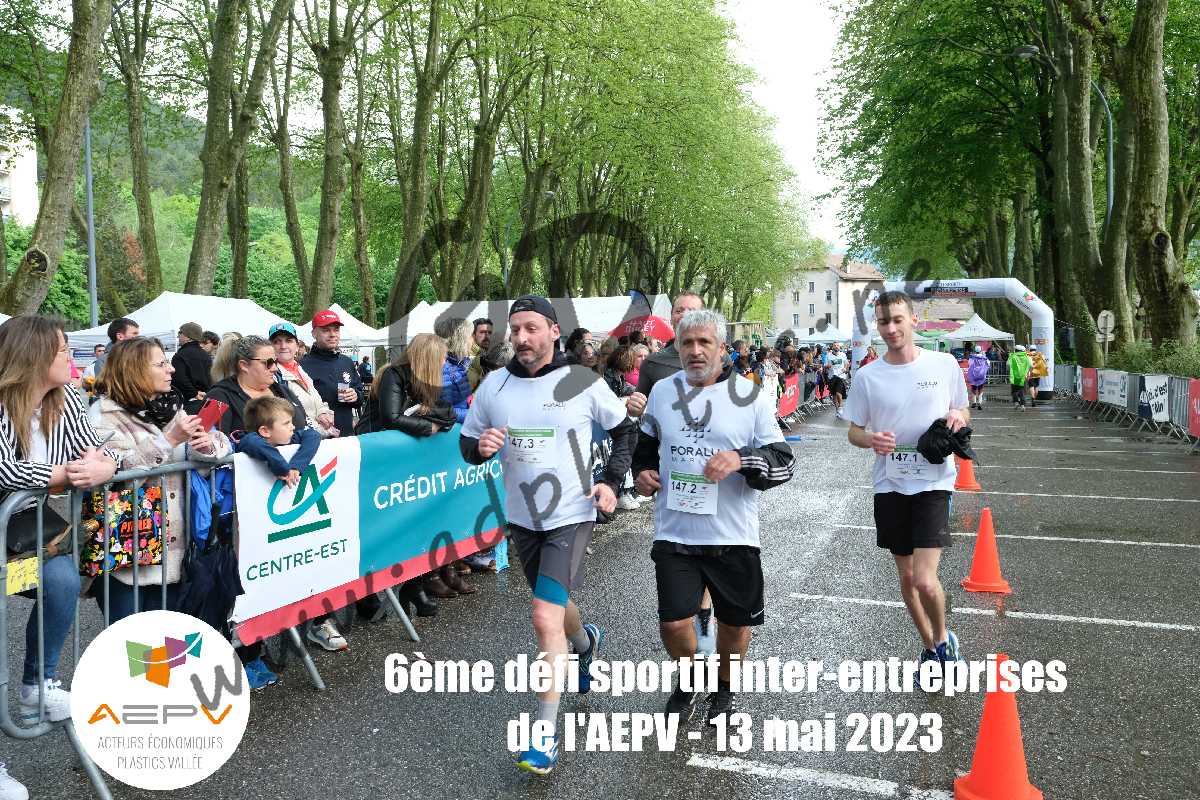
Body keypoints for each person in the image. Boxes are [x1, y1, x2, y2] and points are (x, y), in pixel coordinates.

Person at [460, 295, 637, 775]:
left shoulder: (581, 381)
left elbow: (624, 432)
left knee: (542, 616)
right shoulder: (495, 386)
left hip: (571, 513)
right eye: (515, 329)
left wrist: (610, 482)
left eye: (531, 328)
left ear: (554, 332)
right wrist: (480, 447)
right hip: (523, 518)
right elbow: (467, 444)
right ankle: (585, 643)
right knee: (553, 607)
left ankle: (544, 736)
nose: (521, 337)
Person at [633, 308, 794, 723]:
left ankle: (724, 688)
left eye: (704, 342)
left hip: (733, 536)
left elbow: (784, 462)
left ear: (722, 348)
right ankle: (689, 679)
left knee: (735, 626)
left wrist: (741, 460)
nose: (695, 350)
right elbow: (645, 447)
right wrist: (642, 473)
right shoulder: (663, 392)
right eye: (687, 343)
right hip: (675, 532)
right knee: (673, 624)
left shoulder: (749, 396)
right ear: (678, 347)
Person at [0, 316, 120, 728]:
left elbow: (98, 450)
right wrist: (66, 474)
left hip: (22, 529)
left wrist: (105, 467)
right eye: (64, 350)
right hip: (13, 522)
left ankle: (38, 684)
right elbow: (4, 469)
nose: (72, 358)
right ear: (33, 356)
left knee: (61, 581)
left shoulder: (66, 398)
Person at [843, 290, 969, 674]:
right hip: (890, 485)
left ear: (913, 320)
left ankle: (944, 642)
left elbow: (962, 409)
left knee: (926, 580)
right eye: (884, 322)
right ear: (877, 325)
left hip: (934, 481)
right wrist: (871, 439)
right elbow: (853, 431)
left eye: (898, 320)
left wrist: (957, 418)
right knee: (908, 578)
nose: (891, 328)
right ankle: (929, 647)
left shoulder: (943, 364)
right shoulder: (867, 376)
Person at [88, 337, 229, 621]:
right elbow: (114, 476)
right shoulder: (102, 415)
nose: (171, 369)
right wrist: (170, 440)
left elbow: (215, 450)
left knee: (168, 641)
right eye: (161, 363)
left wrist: (206, 446)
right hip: (128, 552)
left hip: (175, 551)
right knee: (130, 641)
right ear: (135, 370)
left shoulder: (169, 407)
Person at [359, 333, 459, 606]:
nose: (444, 364)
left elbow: (447, 412)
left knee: (417, 520)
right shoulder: (393, 374)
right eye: (440, 359)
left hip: (404, 459)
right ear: (428, 358)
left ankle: (415, 585)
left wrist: (435, 421)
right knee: (380, 524)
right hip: (378, 457)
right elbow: (391, 418)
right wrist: (429, 426)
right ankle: (367, 591)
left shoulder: (425, 380)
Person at [300, 309, 363, 436]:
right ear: (314, 333)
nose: (332, 334)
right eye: (326, 330)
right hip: (319, 438)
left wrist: (356, 396)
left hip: (347, 435)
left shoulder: (346, 362)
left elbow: (360, 395)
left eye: (336, 330)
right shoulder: (302, 366)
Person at [237, 396, 321, 489]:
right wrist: (282, 468)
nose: (293, 427)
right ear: (265, 431)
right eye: (286, 423)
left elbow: (313, 435)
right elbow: (251, 441)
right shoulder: (248, 441)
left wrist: (296, 466)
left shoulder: (291, 438)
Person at [269, 322, 336, 437]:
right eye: (277, 342)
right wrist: (322, 431)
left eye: (288, 341)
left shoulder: (300, 368)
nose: (283, 346)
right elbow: (290, 416)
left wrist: (323, 413)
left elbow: (316, 399)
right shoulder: (273, 376)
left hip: (317, 436)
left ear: (297, 346)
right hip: (301, 439)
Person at [435, 317, 474, 427]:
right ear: (460, 339)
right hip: (453, 433)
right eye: (470, 335)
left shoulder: (461, 364)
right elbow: (444, 411)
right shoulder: (443, 368)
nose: (472, 340)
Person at [84, 317, 140, 382]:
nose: (138, 337)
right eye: (134, 333)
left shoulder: (140, 356)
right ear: (120, 336)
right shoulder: (104, 361)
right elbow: (104, 386)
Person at [171, 322, 213, 402]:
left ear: (188, 337)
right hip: (205, 399)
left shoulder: (180, 356)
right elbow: (210, 379)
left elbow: (179, 379)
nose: (178, 336)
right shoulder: (206, 356)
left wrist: (194, 393)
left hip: (186, 401)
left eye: (180, 333)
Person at [467, 318, 495, 391]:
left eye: (489, 333)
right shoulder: (467, 358)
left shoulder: (487, 359)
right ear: (473, 335)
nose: (487, 336)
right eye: (482, 332)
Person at [1008, 344, 1032, 411]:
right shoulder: (1027, 357)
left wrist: (1010, 371)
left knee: (1014, 390)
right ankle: (1023, 405)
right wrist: (1028, 373)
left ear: (1016, 350)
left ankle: (1016, 402)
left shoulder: (1012, 356)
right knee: (1022, 391)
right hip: (1023, 376)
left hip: (1014, 376)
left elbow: (1008, 365)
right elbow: (1031, 365)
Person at [966, 345, 990, 410]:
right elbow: (988, 364)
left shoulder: (972, 358)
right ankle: (979, 402)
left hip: (974, 375)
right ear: (981, 350)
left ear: (975, 350)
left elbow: (969, 364)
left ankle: (974, 402)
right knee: (980, 389)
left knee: (973, 388)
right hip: (981, 375)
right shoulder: (984, 358)